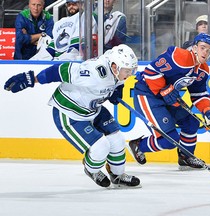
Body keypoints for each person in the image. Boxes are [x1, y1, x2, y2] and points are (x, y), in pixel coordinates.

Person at [4, 44, 140, 188]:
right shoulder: (93, 72)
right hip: (70, 112)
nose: (130, 74)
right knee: (101, 147)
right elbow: (61, 70)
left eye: (131, 70)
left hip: (93, 108)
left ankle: (117, 175)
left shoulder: (117, 67)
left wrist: (117, 89)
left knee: (117, 140)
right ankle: (91, 170)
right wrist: (31, 78)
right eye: (127, 71)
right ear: (114, 67)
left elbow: (119, 81)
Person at [128, 33, 210, 170]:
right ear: (194, 48)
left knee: (191, 123)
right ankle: (138, 145)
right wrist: (163, 90)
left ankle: (186, 156)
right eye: (202, 48)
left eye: (208, 50)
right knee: (169, 140)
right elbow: (150, 72)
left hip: (167, 96)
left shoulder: (203, 70)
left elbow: (198, 93)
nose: (205, 52)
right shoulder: (182, 57)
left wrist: (207, 110)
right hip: (147, 94)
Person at [30, 0, 97, 61]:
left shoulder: (85, 17)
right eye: (69, 4)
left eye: (74, 4)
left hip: (73, 61)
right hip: (58, 59)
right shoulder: (59, 22)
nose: (71, 6)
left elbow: (76, 49)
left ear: (81, 4)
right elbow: (51, 49)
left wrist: (58, 60)